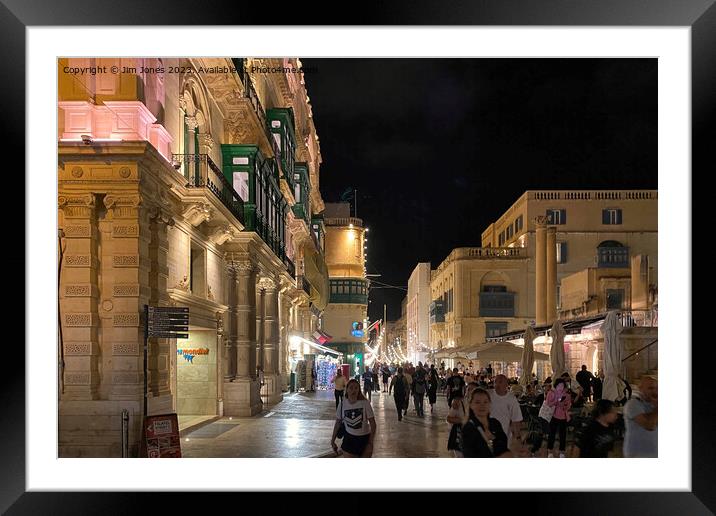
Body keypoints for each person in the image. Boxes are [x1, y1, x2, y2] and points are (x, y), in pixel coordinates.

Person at [460, 388, 513, 458]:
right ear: (471, 405)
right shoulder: (468, 429)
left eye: (485, 402)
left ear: (490, 404)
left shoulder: (495, 423)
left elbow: (504, 447)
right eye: (477, 402)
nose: (482, 405)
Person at [331, 379, 377, 458]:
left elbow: (373, 423)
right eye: (351, 388)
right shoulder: (342, 404)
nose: (354, 390)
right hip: (349, 440)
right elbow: (338, 423)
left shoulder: (365, 403)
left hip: (364, 439)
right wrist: (332, 440)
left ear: (359, 390)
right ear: (347, 390)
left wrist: (370, 442)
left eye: (356, 388)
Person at [623, 375, 658, 458]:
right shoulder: (633, 404)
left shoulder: (654, 405)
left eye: (656, 388)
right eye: (650, 388)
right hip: (637, 454)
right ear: (641, 389)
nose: (654, 391)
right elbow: (649, 425)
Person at [488, 374, 524, 445]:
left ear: (506, 384)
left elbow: (516, 419)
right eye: (495, 382)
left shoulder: (511, 398)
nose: (497, 384)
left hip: (504, 434)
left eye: (500, 382)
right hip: (488, 433)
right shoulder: (488, 395)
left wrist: (517, 436)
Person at [546, 378, 572, 458]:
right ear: (556, 386)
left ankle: (562, 452)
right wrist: (556, 402)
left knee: (563, 435)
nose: (560, 387)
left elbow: (568, 405)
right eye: (559, 385)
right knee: (552, 434)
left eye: (562, 385)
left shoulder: (566, 395)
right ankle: (550, 451)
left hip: (563, 417)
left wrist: (565, 406)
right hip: (553, 416)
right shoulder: (551, 393)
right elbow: (548, 404)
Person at [530, 381, 553, 457]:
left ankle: (537, 449)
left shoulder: (551, 395)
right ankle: (536, 449)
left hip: (547, 417)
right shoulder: (541, 396)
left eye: (547, 387)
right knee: (542, 433)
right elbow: (535, 404)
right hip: (543, 416)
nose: (545, 388)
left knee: (542, 433)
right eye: (545, 387)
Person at [446, 392, 465, 457]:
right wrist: (463, 420)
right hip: (460, 436)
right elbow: (449, 418)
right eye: (469, 389)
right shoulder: (458, 403)